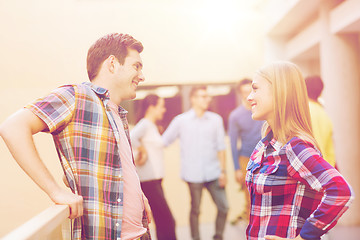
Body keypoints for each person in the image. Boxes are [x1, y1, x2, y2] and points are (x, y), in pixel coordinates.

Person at [0, 33, 152, 240]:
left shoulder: (117, 113)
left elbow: (113, 169)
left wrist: (137, 195)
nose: (142, 76)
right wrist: (54, 191)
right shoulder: (77, 96)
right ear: (113, 64)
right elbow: (12, 127)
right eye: (136, 66)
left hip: (140, 234)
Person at [245, 61, 354, 240]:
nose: (249, 97)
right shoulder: (264, 146)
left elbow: (341, 191)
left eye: (255, 89)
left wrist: (304, 237)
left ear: (280, 92)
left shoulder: (294, 147)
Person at [162, 86, 229, 240]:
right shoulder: (181, 121)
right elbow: (164, 141)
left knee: (224, 207)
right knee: (195, 210)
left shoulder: (215, 119)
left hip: (214, 172)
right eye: (202, 96)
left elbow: (221, 147)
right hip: (192, 174)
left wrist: (223, 172)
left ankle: (218, 236)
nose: (207, 99)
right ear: (193, 99)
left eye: (207, 96)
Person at [130, 94, 177, 240]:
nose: (163, 110)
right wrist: (141, 150)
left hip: (155, 181)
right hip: (149, 181)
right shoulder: (145, 124)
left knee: (163, 222)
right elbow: (130, 138)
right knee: (168, 222)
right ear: (151, 107)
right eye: (161, 106)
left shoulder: (151, 126)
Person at [228, 78, 263, 223]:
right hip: (246, 160)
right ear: (240, 94)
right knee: (249, 198)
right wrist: (237, 168)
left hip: (265, 157)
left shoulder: (263, 110)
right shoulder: (235, 116)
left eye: (251, 90)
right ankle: (252, 230)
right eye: (244, 92)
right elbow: (232, 144)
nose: (248, 94)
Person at [305, 75, 335, 167]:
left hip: (313, 169)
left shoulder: (304, 111)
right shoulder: (324, 113)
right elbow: (330, 150)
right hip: (326, 168)